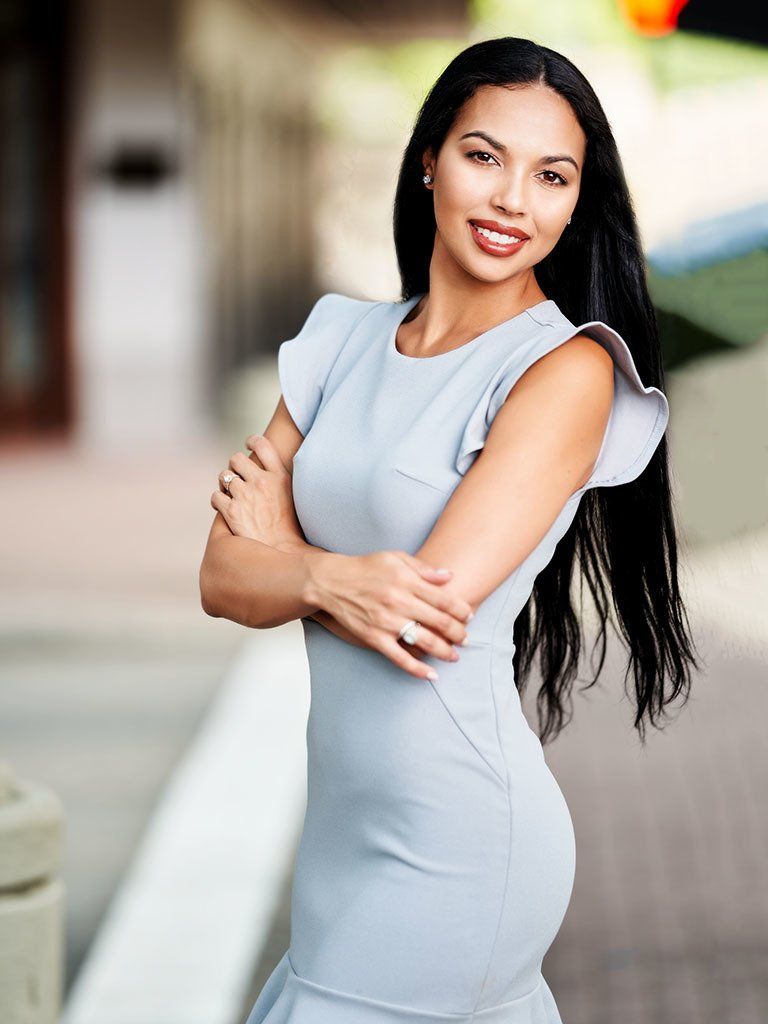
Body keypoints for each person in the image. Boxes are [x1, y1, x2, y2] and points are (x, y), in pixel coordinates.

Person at [200, 35, 700, 1024]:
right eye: (485, 156)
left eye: (551, 175)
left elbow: (424, 610)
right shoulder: (338, 339)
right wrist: (326, 578)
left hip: (457, 838)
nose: (515, 200)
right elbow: (222, 578)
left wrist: (292, 561)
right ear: (428, 156)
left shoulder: (565, 371)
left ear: (576, 200)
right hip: (341, 836)